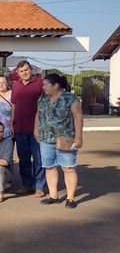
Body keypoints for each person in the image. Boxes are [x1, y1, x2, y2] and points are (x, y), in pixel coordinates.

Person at [36, 73, 84, 208]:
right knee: (49, 167)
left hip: (66, 138)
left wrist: (79, 137)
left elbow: (78, 117)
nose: (43, 87)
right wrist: (36, 130)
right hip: (46, 138)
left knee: (68, 167)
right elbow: (38, 115)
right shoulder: (43, 98)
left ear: (55, 85)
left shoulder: (70, 98)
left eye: (45, 85)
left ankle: (70, 198)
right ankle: (53, 195)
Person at [11, 60, 46, 197]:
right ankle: (27, 185)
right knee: (23, 159)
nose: (24, 73)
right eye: (21, 71)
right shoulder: (16, 86)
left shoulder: (40, 84)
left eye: (26, 70)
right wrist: (11, 124)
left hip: (37, 129)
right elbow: (13, 106)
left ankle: (39, 187)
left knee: (38, 159)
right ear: (18, 73)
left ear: (31, 69)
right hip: (19, 128)